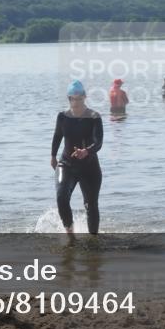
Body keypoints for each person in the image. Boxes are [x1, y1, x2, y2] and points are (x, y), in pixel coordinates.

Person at [51, 80, 104, 235]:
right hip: (66, 164)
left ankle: (93, 239)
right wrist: (53, 156)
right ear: (69, 99)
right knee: (61, 197)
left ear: (85, 97)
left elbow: (98, 142)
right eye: (72, 98)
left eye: (79, 98)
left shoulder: (94, 117)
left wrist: (86, 151)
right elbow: (57, 136)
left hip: (89, 166)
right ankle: (70, 233)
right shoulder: (62, 117)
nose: (76, 101)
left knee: (91, 205)